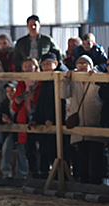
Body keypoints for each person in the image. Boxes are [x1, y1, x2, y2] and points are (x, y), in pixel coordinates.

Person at [60, 55, 105, 184]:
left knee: (97, 154)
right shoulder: (72, 80)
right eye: (79, 63)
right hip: (78, 123)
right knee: (82, 156)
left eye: (85, 63)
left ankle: (97, 181)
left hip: (95, 121)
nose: (82, 65)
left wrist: (96, 76)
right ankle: (84, 181)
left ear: (91, 65)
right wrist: (66, 79)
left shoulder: (97, 77)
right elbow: (63, 94)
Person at [28, 53, 68, 178]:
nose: (45, 66)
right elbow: (39, 100)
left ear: (55, 64)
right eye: (43, 64)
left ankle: (62, 176)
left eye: (48, 64)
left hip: (56, 120)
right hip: (42, 118)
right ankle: (46, 174)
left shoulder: (59, 77)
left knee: (59, 150)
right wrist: (36, 118)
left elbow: (61, 101)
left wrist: (54, 119)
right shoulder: (43, 79)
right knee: (45, 148)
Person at [12, 57, 41, 178]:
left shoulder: (41, 81)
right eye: (25, 66)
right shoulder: (21, 83)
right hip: (25, 117)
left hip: (39, 116)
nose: (28, 68)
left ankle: (44, 172)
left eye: (30, 66)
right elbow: (15, 106)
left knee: (43, 146)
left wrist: (32, 98)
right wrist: (20, 99)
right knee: (29, 148)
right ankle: (33, 172)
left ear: (36, 68)